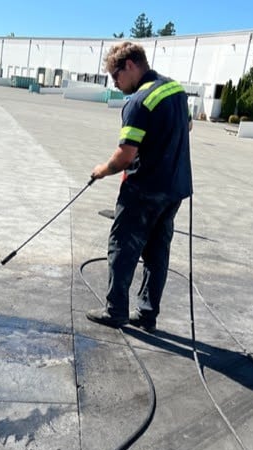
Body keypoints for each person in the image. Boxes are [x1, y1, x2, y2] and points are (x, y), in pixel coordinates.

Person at [85, 41, 193, 333]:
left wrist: (102, 171)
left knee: (122, 247)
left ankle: (116, 310)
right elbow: (189, 126)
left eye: (116, 75)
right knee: (157, 254)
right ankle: (147, 314)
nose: (116, 83)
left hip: (144, 190)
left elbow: (125, 156)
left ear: (130, 65)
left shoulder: (139, 101)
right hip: (175, 188)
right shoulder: (175, 90)